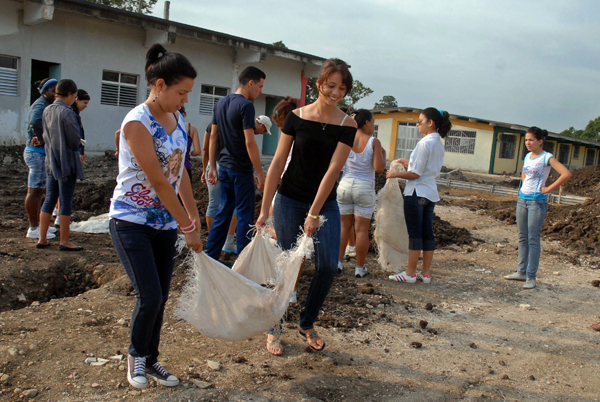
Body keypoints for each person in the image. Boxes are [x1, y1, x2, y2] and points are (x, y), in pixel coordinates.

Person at [108, 44, 202, 390]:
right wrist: (188, 228)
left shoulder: (178, 120)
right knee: (149, 295)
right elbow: (160, 182)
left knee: (161, 296)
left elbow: (180, 174)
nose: (185, 100)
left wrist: (193, 217)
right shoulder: (136, 123)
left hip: (163, 225)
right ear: (160, 85)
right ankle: (135, 355)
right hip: (131, 221)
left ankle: (151, 358)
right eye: (181, 92)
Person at [257, 58, 357, 355]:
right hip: (288, 199)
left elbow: (333, 170)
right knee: (288, 266)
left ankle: (306, 321)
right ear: (319, 84)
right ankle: (274, 326)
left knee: (327, 265)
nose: (335, 92)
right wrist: (265, 209)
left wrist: (314, 212)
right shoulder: (296, 117)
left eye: (341, 88)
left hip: (324, 205)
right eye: (330, 85)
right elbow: (277, 164)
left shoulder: (347, 124)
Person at [205, 66, 267, 258]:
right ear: (250, 83)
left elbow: (213, 136)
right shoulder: (246, 106)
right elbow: (250, 142)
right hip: (240, 169)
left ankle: (210, 255)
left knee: (223, 212)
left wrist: (212, 166)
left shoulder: (221, 102)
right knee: (244, 216)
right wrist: (259, 172)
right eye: (260, 86)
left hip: (223, 167)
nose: (260, 91)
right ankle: (244, 262)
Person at [386, 108, 450, 284]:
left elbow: (415, 174)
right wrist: (409, 163)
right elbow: (426, 167)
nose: (417, 124)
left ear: (431, 123)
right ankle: (426, 273)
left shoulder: (424, 143)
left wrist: (395, 174)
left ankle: (410, 273)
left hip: (416, 192)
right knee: (427, 233)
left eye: (420, 121)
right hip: (429, 192)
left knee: (415, 234)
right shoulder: (438, 142)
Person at [503, 127, 571, 289]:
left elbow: (566, 174)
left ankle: (531, 277)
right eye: (526, 140)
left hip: (536, 203)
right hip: (522, 200)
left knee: (533, 239)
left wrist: (547, 189)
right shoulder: (527, 156)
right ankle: (521, 272)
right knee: (522, 237)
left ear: (540, 141)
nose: (528, 143)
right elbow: (524, 173)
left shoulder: (547, 157)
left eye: (531, 140)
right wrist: (522, 188)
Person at [337, 109, 386, 278]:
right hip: (364, 187)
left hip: (344, 185)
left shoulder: (347, 137)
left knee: (344, 227)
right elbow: (379, 168)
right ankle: (359, 268)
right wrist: (382, 155)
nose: (373, 126)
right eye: (373, 123)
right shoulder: (374, 142)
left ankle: (339, 262)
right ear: (366, 122)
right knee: (362, 230)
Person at [36, 79, 84, 251]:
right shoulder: (67, 113)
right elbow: (73, 140)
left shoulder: (47, 110)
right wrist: (79, 145)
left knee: (49, 198)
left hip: (50, 160)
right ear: (70, 94)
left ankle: (42, 239)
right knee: (65, 200)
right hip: (66, 162)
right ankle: (64, 240)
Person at [24, 78, 57, 240]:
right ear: (45, 92)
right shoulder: (39, 105)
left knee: (39, 191)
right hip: (35, 153)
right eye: (53, 91)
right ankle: (33, 228)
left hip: (40, 153)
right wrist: (43, 139)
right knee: (35, 191)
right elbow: (35, 121)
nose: (56, 94)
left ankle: (38, 225)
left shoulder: (46, 105)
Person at [200, 123, 237, 252]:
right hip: (229, 166)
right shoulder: (234, 123)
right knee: (234, 204)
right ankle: (228, 242)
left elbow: (205, 149)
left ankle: (213, 240)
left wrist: (205, 169)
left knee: (213, 203)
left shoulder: (211, 126)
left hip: (213, 165)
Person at [179, 106, 201, 181]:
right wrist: (189, 153)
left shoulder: (166, 126)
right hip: (185, 167)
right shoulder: (191, 128)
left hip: (168, 168)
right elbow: (197, 151)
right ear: (184, 114)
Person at [72, 89, 90, 164]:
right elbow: (74, 136)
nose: (86, 106)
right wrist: (77, 153)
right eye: (84, 103)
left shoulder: (76, 115)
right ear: (76, 100)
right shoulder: (71, 115)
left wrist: (81, 152)